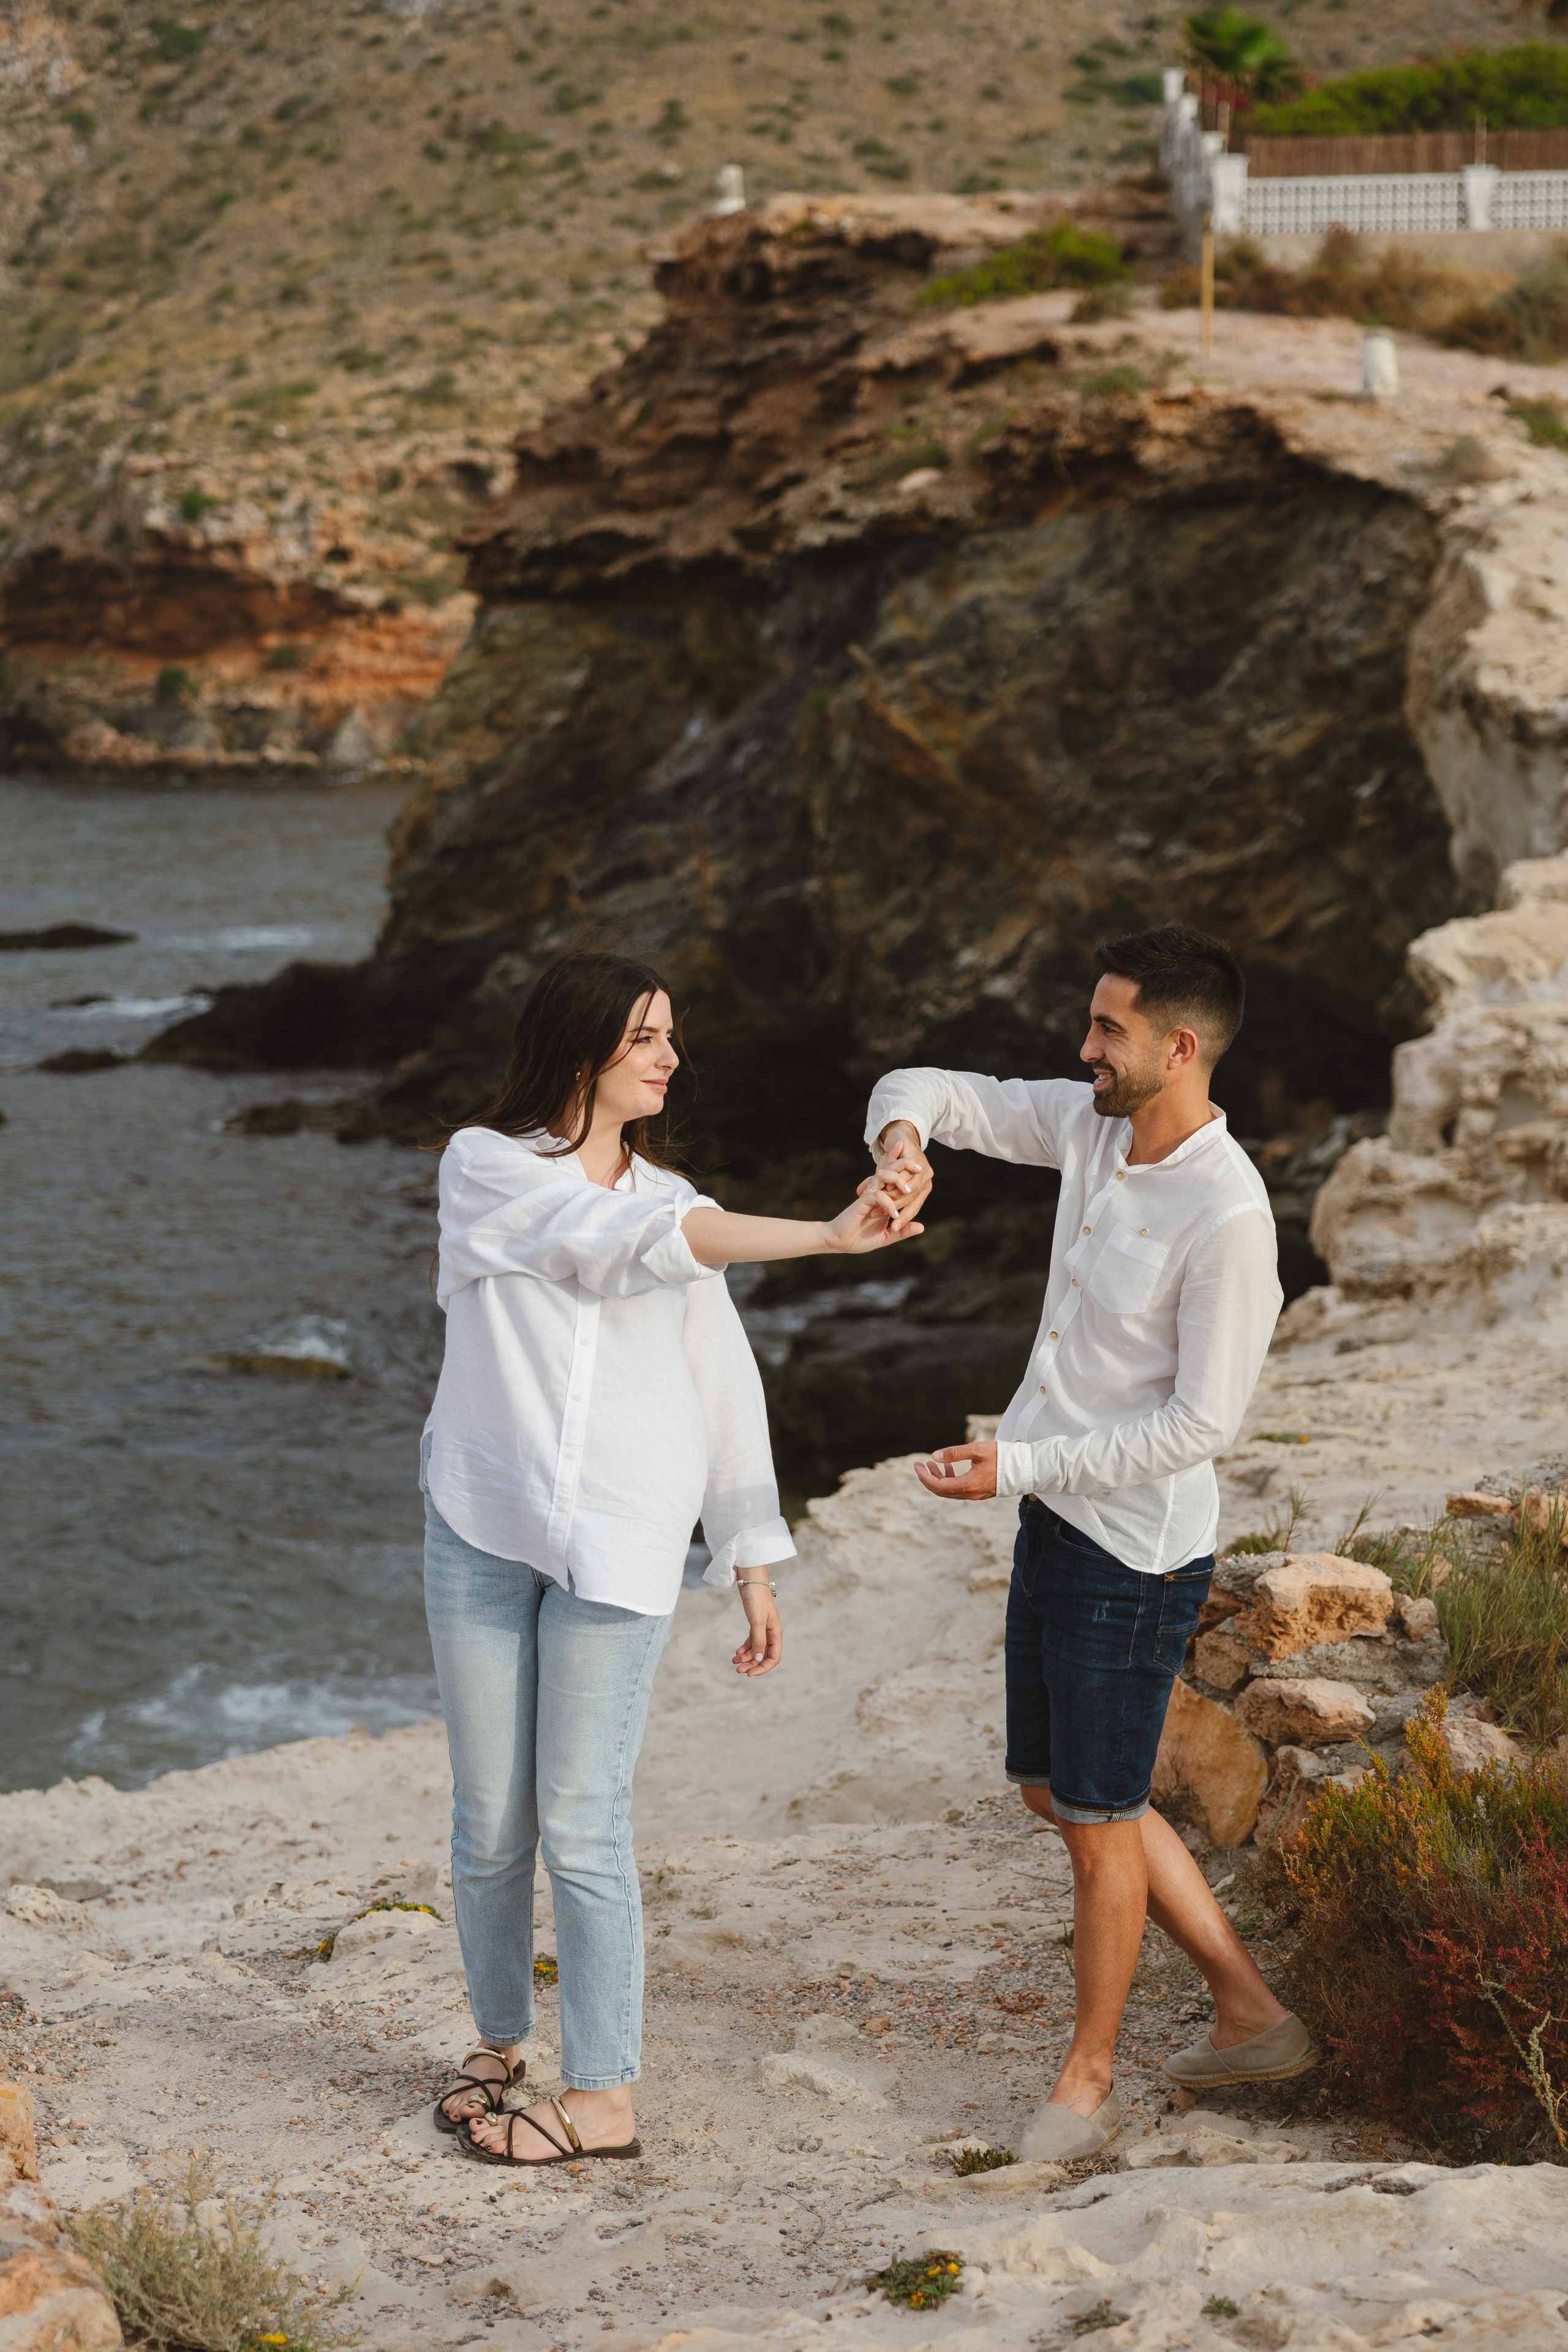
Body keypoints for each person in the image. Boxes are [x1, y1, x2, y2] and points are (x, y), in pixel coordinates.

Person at [423, 949, 920, 2169]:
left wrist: (746, 1553)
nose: (669, 1058)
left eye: (669, 1036)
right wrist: (814, 1232)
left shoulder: (674, 1203)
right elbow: (609, 1239)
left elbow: (719, 1381)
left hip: (619, 1539)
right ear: (581, 1045)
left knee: (582, 1825)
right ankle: (496, 2043)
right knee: (489, 1819)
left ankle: (602, 2100)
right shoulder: (485, 1166)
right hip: (482, 1522)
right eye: (646, 1036)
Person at [863, 924, 1316, 2163]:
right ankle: (1248, 2007)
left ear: (1178, 1048)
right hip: (1054, 1521)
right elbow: (925, 1089)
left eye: (1106, 1030)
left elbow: (1198, 1426)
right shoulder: (1087, 1127)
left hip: (1131, 1550)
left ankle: (1085, 2081)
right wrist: (900, 1149)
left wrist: (1019, 1462)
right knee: (1050, 1789)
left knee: (1098, 1813)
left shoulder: (1225, 1216)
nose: (1082, 1049)